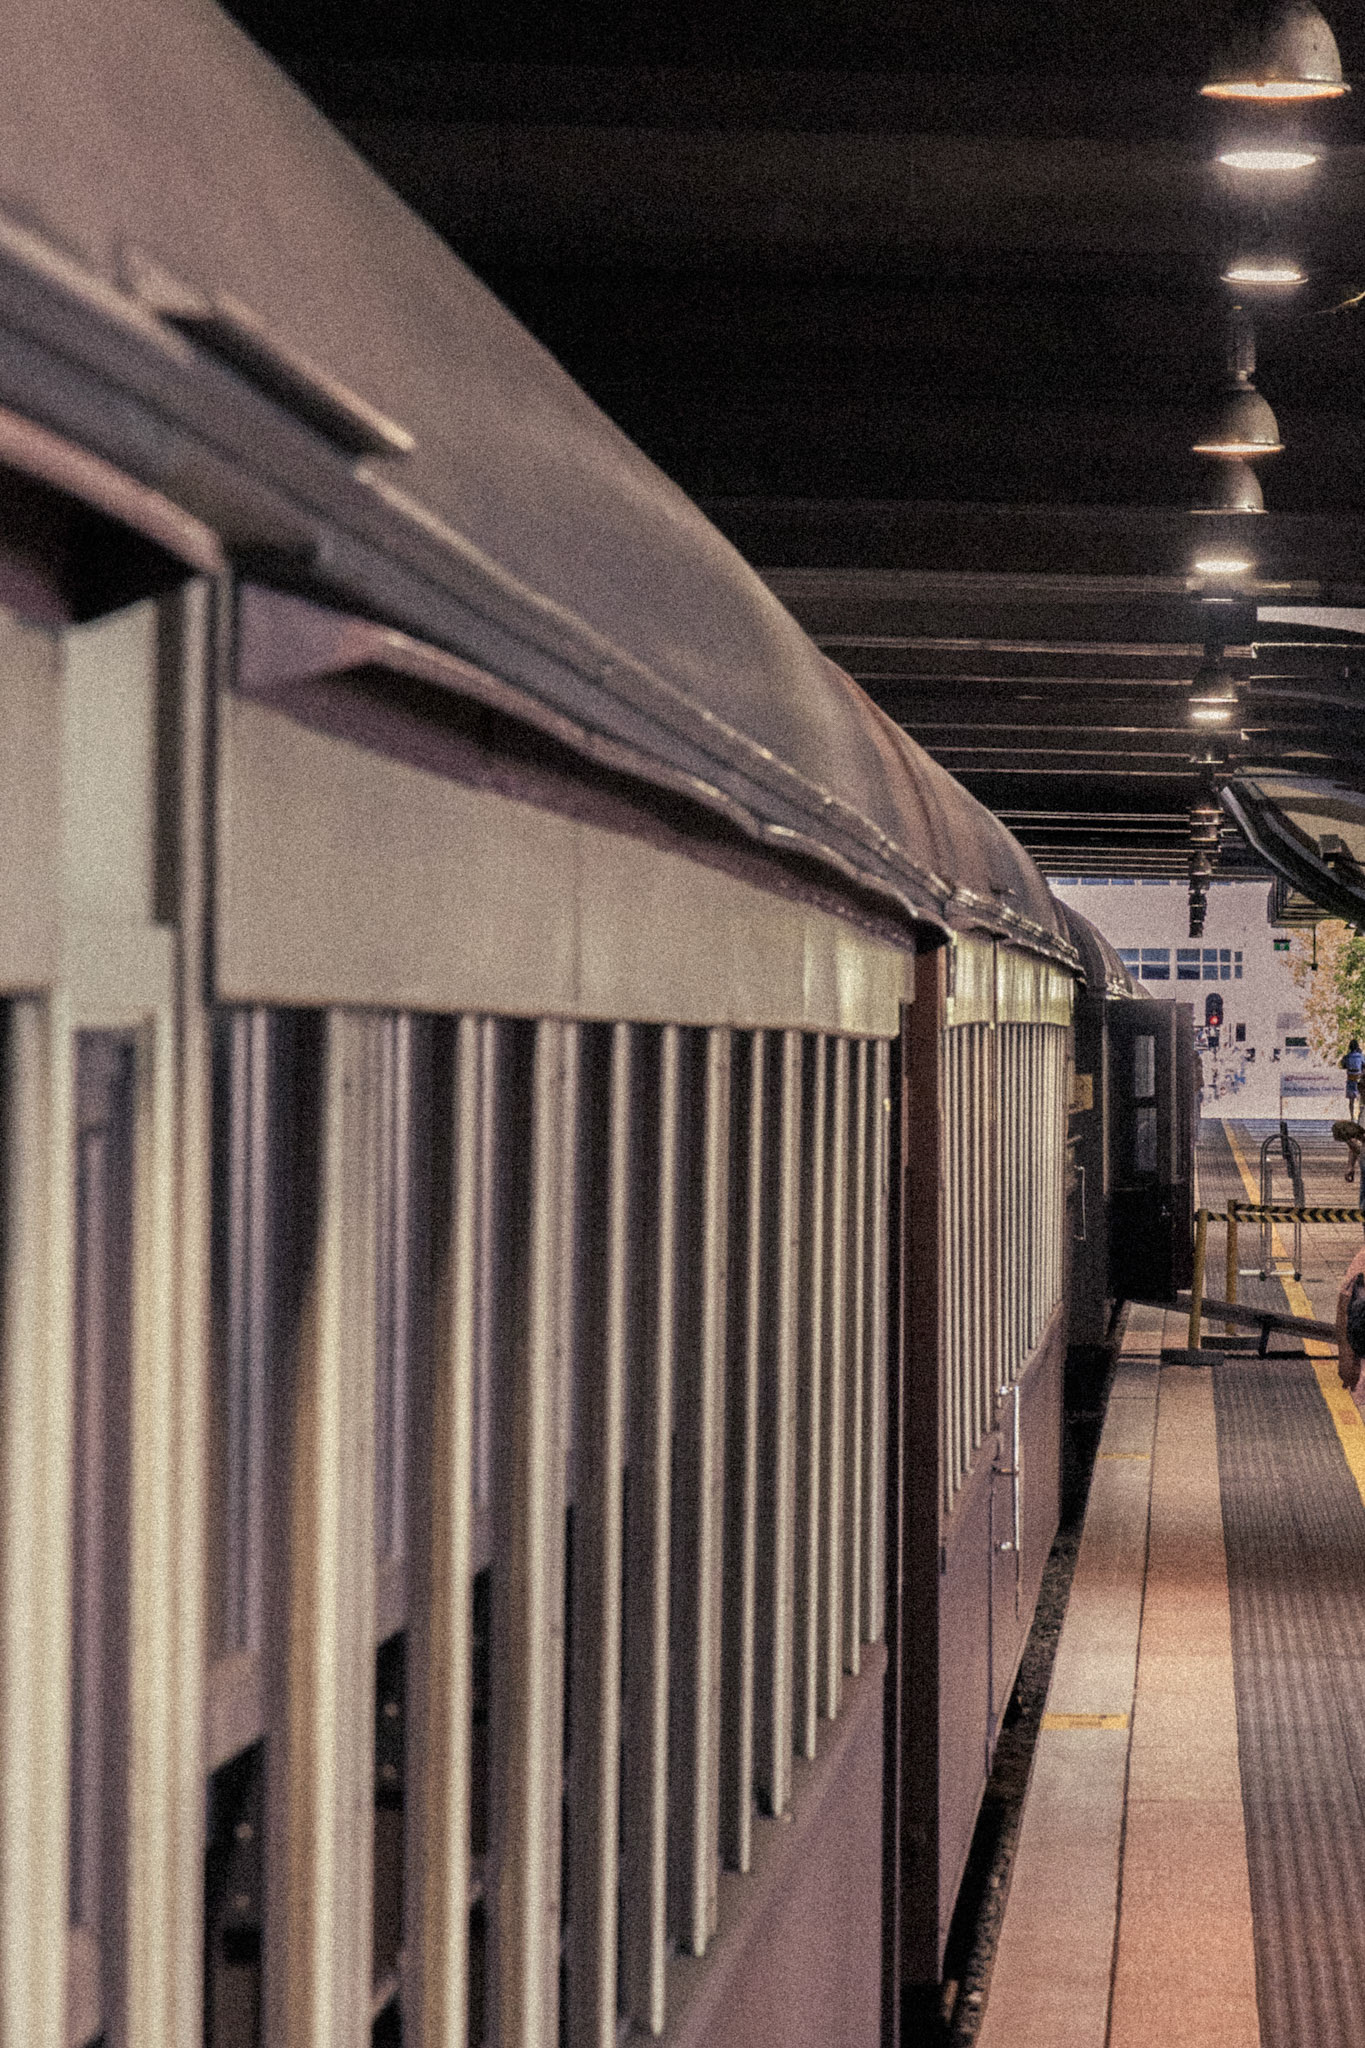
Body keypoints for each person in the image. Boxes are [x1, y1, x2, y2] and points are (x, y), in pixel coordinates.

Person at [1342, 1038, 1365, 1117]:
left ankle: (1352, 1116)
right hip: (1359, 1080)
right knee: (1361, 1099)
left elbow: (1343, 1065)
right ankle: (1360, 1115)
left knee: (1351, 1101)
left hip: (1350, 1079)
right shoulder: (1361, 1056)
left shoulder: (1347, 1056)